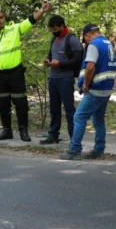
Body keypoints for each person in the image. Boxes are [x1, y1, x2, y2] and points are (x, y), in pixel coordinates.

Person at [0, 0, 52, 141]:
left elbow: (31, 20)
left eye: (1, 17)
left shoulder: (14, 29)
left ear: (5, 18)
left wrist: (43, 10)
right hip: (0, 75)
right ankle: (7, 131)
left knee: (21, 103)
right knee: (2, 104)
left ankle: (23, 131)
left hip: (16, 73)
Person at [59, 24, 116, 160]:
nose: (85, 42)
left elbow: (90, 67)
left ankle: (74, 150)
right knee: (98, 120)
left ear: (87, 35)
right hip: (107, 88)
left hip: (96, 89)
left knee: (79, 117)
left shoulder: (93, 45)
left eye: (84, 39)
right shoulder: (108, 43)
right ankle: (99, 150)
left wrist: (85, 85)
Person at [40, 15, 82, 145]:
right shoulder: (54, 39)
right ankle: (53, 135)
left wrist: (61, 64)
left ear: (62, 26)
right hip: (53, 78)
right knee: (54, 108)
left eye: (55, 29)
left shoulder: (72, 39)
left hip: (65, 79)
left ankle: (73, 137)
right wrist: (48, 61)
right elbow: (51, 55)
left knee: (69, 109)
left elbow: (77, 59)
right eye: (51, 30)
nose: (53, 31)